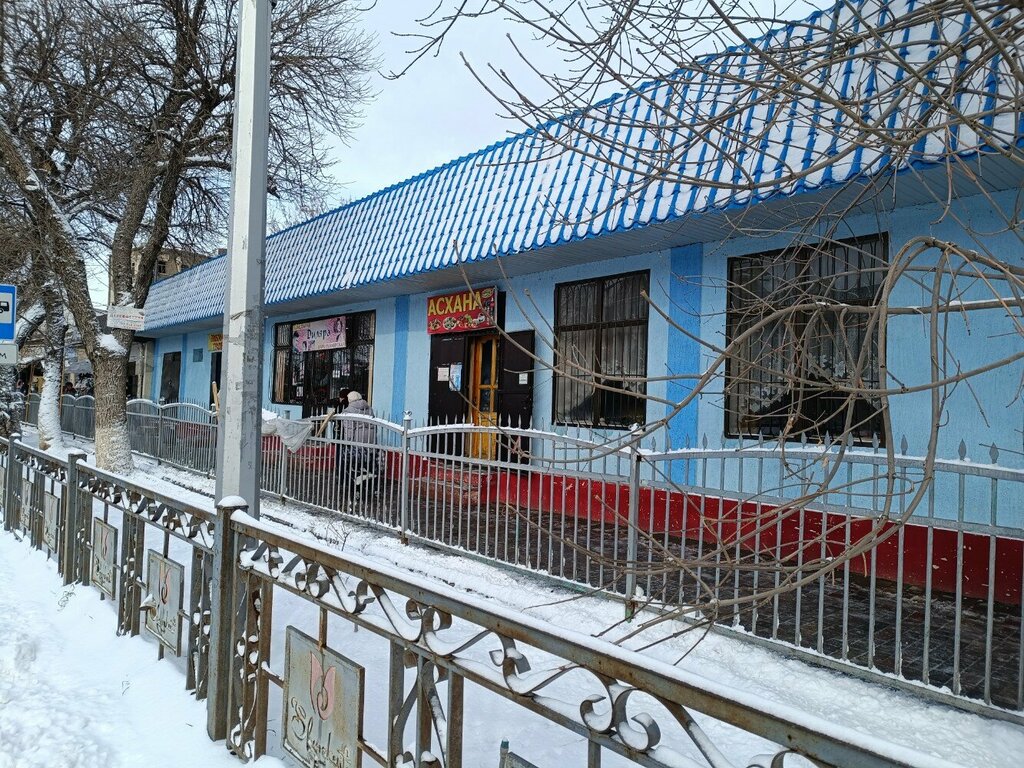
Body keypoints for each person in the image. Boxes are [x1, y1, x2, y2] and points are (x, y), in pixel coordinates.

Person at [338, 391, 378, 506]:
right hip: (370, 442)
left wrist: (347, 442)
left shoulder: (348, 411)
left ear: (349, 400)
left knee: (355, 467)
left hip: (357, 442)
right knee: (368, 465)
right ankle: (371, 487)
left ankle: (357, 490)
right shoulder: (369, 409)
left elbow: (349, 430)